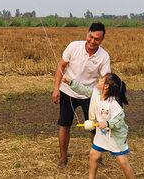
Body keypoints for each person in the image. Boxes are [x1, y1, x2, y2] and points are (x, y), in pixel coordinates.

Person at [51, 22, 111, 168]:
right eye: (91, 36)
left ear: (101, 40)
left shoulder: (104, 56)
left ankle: (97, 157)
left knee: (94, 127)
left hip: (90, 95)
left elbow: (106, 80)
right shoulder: (73, 46)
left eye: (97, 39)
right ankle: (63, 158)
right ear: (87, 33)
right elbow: (61, 66)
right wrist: (56, 88)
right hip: (67, 91)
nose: (92, 41)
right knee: (64, 125)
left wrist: (104, 100)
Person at [62, 73, 135, 179]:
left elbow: (119, 121)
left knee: (123, 163)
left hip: (115, 137)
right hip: (101, 135)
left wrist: (107, 123)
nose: (99, 80)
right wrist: (70, 82)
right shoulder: (96, 94)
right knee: (93, 156)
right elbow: (83, 89)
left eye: (102, 80)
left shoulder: (113, 103)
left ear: (106, 86)